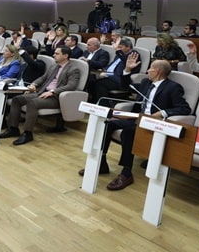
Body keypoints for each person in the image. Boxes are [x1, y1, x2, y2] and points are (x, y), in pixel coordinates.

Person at [79, 58, 191, 190]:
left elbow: (184, 108)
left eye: (150, 68)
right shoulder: (146, 82)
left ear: (158, 71)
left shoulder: (173, 87)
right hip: (136, 118)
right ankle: (102, 162)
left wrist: (162, 113)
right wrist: (127, 70)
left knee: (128, 133)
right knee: (106, 124)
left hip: (153, 123)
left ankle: (126, 173)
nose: (147, 70)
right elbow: (125, 87)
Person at [0, 46, 80, 145]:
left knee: (32, 103)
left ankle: (27, 133)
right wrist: (34, 84)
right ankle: (13, 129)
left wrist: (53, 91)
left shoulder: (73, 69)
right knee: (17, 99)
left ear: (65, 56)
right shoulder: (54, 66)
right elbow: (43, 78)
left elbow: (71, 86)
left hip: (56, 97)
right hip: (42, 92)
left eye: (57, 53)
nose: (53, 55)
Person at [89, 39, 141, 104]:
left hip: (119, 79)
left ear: (128, 47)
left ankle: (103, 105)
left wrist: (107, 75)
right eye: (118, 47)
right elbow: (112, 65)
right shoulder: (120, 54)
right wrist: (104, 69)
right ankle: (93, 102)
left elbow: (126, 60)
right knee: (91, 79)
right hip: (110, 75)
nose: (119, 49)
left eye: (120, 47)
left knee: (100, 84)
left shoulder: (133, 54)